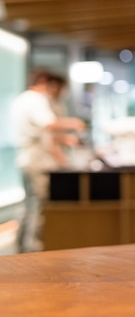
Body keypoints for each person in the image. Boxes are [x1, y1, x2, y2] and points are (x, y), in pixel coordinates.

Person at [10, 68, 85, 252]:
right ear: (45, 82)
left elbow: (42, 132)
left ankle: (22, 246)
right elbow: (48, 123)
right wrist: (74, 123)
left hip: (28, 158)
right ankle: (33, 248)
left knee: (29, 204)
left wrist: (64, 139)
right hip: (37, 160)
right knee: (40, 205)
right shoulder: (35, 99)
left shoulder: (23, 99)